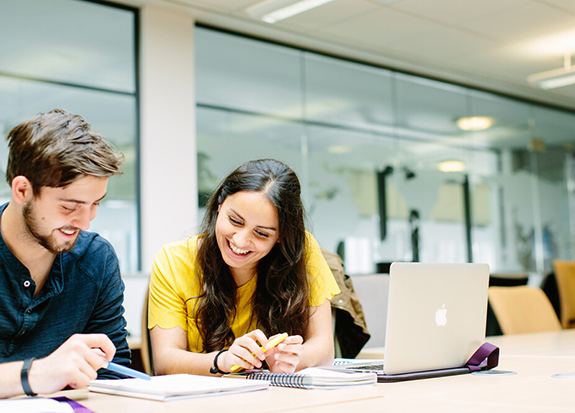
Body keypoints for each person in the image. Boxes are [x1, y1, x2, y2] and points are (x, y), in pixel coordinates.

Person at [149, 159, 340, 376]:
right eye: (235, 221)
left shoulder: (303, 252)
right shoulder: (174, 260)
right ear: (220, 204)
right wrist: (224, 360)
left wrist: (291, 359)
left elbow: (324, 348)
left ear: (281, 236)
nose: (240, 241)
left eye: (262, 234)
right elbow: (164, 362)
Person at [0, 109, 130, 398]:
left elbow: (113, 375)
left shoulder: (96, 259)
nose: (85, 223)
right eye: (70, 207)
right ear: (23, 190)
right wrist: (34, 374)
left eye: (95, 203)